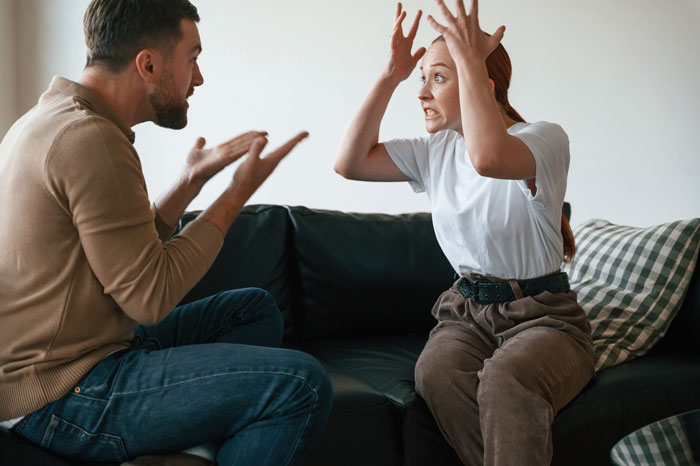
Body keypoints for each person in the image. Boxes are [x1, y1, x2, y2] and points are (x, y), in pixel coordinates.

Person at [0, 0, 332, 465]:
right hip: (61, 392)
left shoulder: (54, 119)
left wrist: (189, 182)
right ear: (149, 64)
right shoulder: (89, 140)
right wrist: (236, 192)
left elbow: (123, 258)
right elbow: (150, 297)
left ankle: (190, 441)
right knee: (301, 385)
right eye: (193, 58)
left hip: (80, 356)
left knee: (254, 310)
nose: (199, 78)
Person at [334, 1, 595, 465]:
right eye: (422, 78)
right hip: (467, 313)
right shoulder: (435, 151)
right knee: (435, 370)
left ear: (481, 84)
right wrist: (391, 75)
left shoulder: (543, 139)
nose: (422, 93)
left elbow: (489, 158)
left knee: (506, 377)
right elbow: (349, 162)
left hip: (546, 317)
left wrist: (471, 59)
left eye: (438, 77)